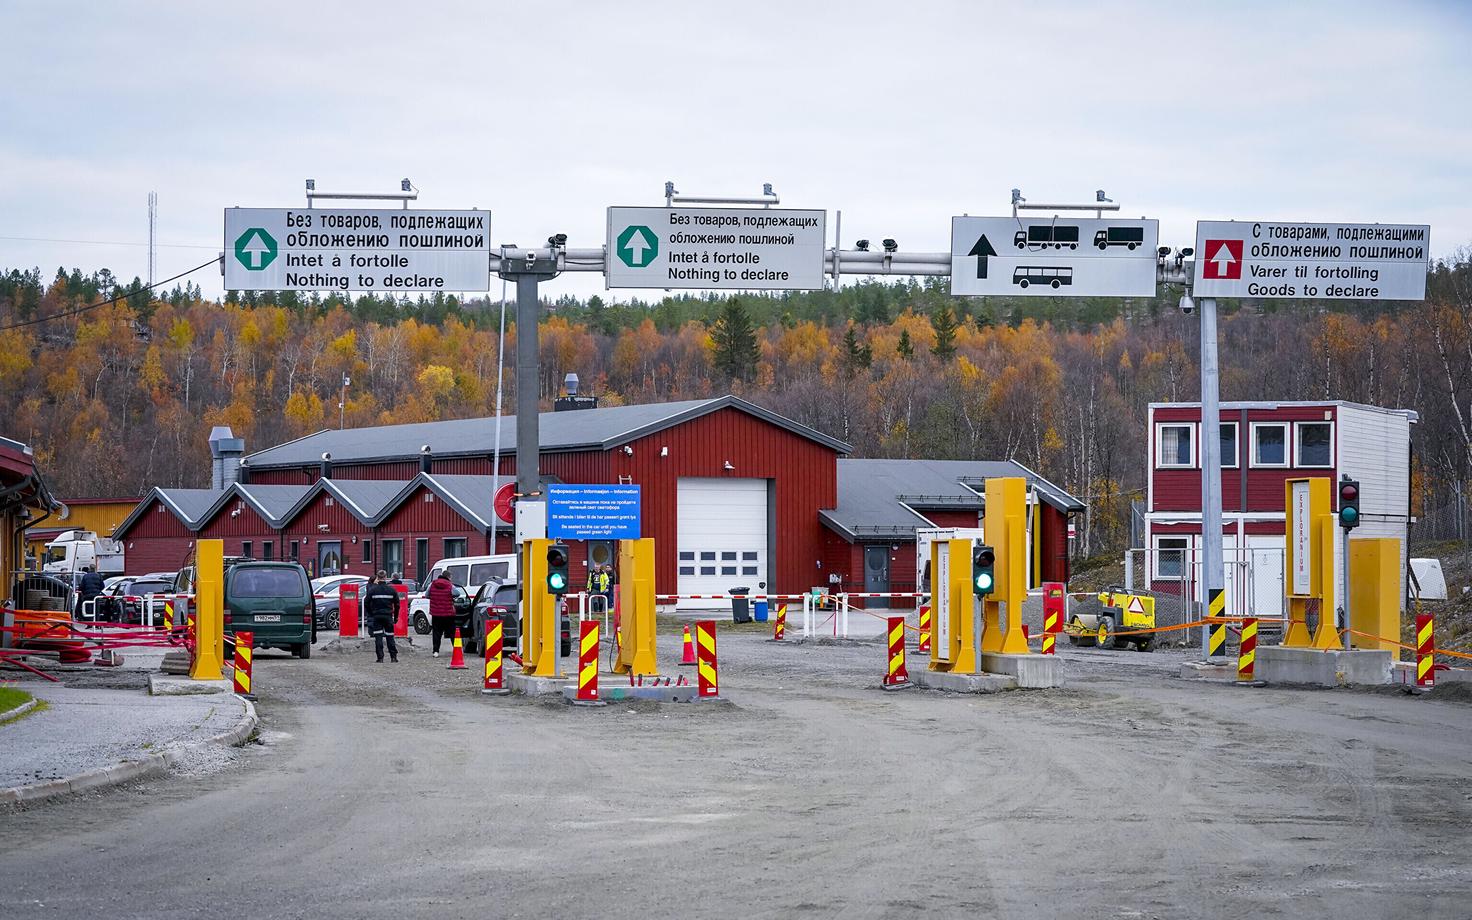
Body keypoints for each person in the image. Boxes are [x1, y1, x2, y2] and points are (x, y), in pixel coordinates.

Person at [363, 571, 399, 663]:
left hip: (377, 616)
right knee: (390, 636)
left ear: (378, 578)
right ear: (386, 577)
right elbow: (397, 604)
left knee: (378, 637)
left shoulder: (373, 590)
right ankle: (393, 657)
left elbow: (366, 602)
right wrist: (396, 617)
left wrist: (371, 613)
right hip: (388, 616)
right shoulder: (391, 590)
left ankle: (380, 658)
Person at [427, 571, 456, 657]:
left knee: (436, 632)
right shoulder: (450, 585)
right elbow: (457, 593)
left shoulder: (432, 584)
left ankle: (436, 651)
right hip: (448, 613)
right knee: (452, 632)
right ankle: (456, 649)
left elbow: (427, 594)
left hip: (436, 613)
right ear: (449, 577)